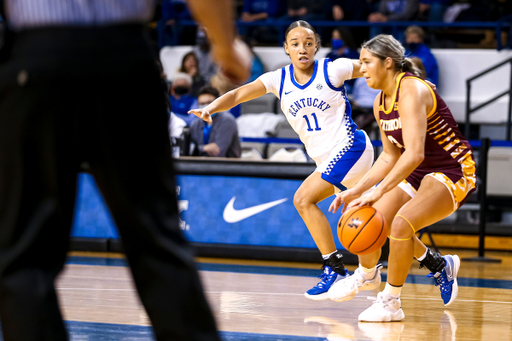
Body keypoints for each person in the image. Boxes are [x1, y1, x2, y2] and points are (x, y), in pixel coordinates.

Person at [0, 0, 249, 340]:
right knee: (156, 239)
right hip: (124, 62)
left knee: (25, 255)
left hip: (37, 60)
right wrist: (225, 45)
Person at [189, 20, 375, 301]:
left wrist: (406, 78)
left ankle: (334, 267)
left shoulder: (332, 68)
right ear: (286, 48)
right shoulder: (279, 79)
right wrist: (211, 108)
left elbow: (374, 66)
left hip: (351, 148)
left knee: (303, 199)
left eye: (309, 43)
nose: (303, 48)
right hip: (327, 159)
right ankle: (433, 263)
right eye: (296, 43)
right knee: (375, 218)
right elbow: (239, 94)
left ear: (316, 47)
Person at [328, 34, 476, 322]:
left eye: (367, 62)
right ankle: (376, 272)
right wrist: (357, 190)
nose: (362, 68)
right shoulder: (380, 103)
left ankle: (390, 302)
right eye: (360, 62)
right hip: (418, 171)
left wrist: (379, 189)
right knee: (371, 216)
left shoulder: (411, 91)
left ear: (387, 63)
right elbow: (390, 156)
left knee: (400, 223)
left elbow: (414, 154)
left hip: (452, 169)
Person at [189, 86, 241, 157]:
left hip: (226, 165)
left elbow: (218, 152)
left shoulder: (227, 120)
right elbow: (188, 149)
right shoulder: (196, 123)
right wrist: (203, 148)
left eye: (209, 102)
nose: (205, 106)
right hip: (200, 165)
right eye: (201, 104)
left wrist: (198, 149)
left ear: (217, 102)